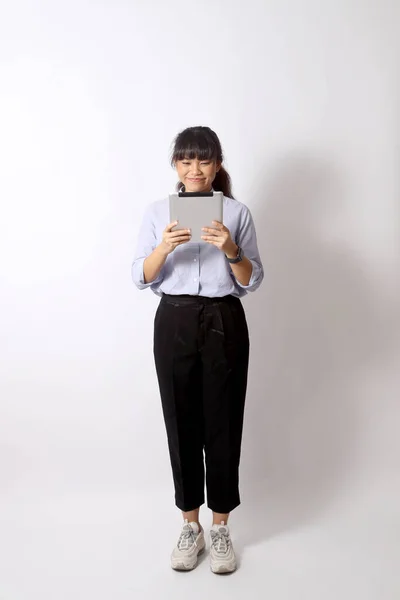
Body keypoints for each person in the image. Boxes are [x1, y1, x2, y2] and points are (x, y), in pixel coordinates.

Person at [131, 126, 264, 573]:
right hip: (174, 319)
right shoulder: (156, 213)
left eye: (203, 160)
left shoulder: (237, 212)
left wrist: (231, 248)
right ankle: (191, 526)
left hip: (224, 318)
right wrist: (162, 250)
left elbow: (251, 279)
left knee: (223, 421)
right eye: (186, 161)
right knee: (181, 419)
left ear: (217, 165)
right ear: (175, 166)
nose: (194, 169)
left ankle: (221, 527)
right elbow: (139, 275)